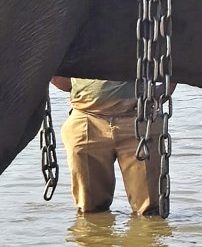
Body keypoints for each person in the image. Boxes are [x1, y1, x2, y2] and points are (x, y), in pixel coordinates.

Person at [52, 76, 160, 216]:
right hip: (86, 117)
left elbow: (175, 57)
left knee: (150, 211)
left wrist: (165, 90)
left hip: (138, 117)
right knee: (89, 209)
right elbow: (52, 69)